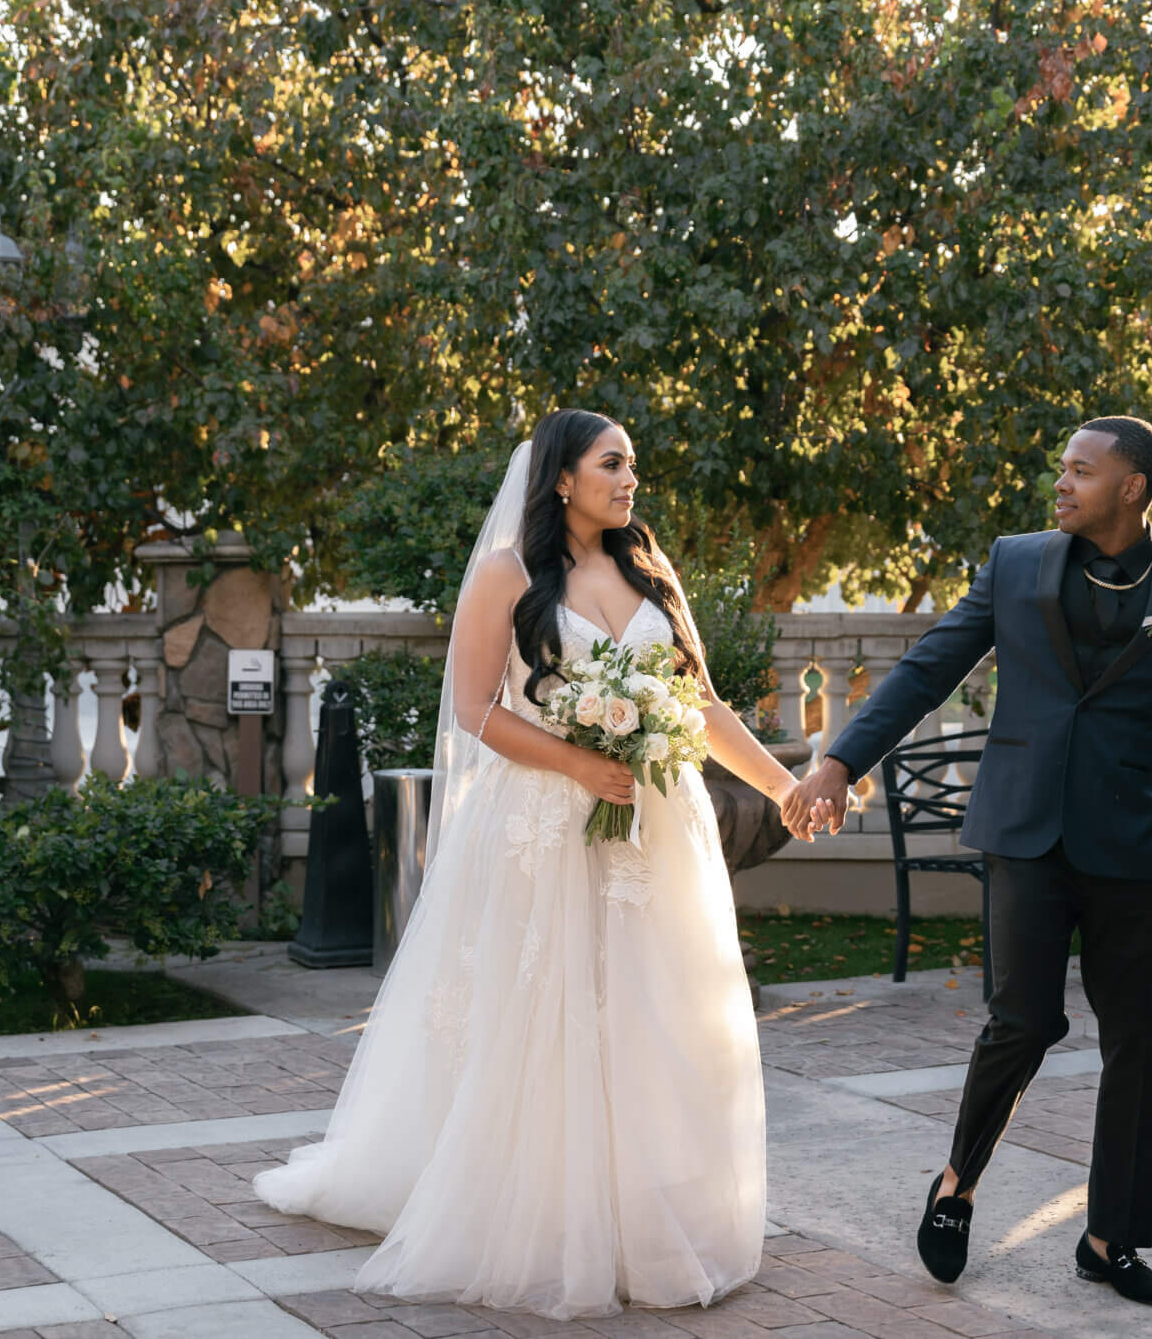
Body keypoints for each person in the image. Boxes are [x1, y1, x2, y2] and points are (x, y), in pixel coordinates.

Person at [255, 410, 802, 1319]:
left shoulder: (651, 573)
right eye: (613, 463)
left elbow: (700, 704)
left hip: (653, 832)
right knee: (549, 1014)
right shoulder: (508, 577)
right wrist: (583, 761)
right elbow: (475, 707)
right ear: (562, 478)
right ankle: (544, 1211)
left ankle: (641, 1210)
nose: (631, 480)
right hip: (544, 825)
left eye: (633, 466)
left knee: (648, 1011)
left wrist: (788, 788)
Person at [784, 415, 1152, 1308]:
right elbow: (929, 669)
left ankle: (1110, 1239)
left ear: (1133, 487)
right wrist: (841, 761)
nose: (1062, 483)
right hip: (1025, 834)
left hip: (1133, 850)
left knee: (1136, 1046)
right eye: (1062, 467)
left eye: (1081, 470)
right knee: (1021, 1022)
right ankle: (957, 1184)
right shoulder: (1017, 562)